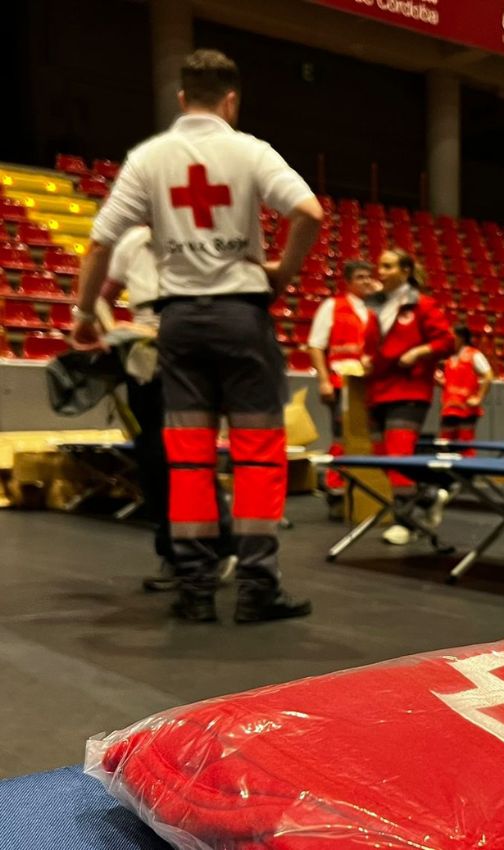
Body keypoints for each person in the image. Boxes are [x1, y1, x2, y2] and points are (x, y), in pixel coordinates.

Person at [70, 49, 323, 623]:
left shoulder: (149, 158)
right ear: (231, 100)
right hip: (242, 319)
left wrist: (85, 313)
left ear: (182, 98)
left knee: (187, 460)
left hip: (179, 323)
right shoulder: (251, 150)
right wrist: (281, 274)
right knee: (258, 457)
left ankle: (195, 590)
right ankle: (257, 589)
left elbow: (100, 242)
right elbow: (309, 212)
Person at [99, 225, 235, 592]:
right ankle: (173, 554)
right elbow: (100, 296)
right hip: (142, 364)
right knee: (152, 458)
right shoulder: (131, 243)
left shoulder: (201, 240)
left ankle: (218, 546)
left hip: (190, 357)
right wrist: (114, 330)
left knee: (190, 455)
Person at [362, 247, 455, 545]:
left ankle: (406, 523)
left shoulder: (423, 305)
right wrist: (366, 360)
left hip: (410, 390)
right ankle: (429, 496)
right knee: (383, 459)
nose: (381, 272)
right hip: (378, 390)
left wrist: (418, 352)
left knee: (399, 456)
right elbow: (371, 346)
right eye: (380, 266)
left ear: (406, 271)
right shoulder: (375, 307)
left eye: (388, 266)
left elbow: (447, 341)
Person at [307, 260, 375, 517]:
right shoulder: (332, 306)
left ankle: (366, 493)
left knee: (369, 441)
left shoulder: (376, 309)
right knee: (341, 437)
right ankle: (336, 492)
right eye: (360, 277)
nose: (366, 281)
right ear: (348, 282)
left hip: (370, 385)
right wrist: (323, 380)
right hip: (341, 383)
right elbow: (316, 346)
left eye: (368, 276)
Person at [435, 325, 494, 454]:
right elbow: (450, 382)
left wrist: (479, 397)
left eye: (452, 336)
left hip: (466, 408)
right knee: (444, 445)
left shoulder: (474, 355)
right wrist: (439, 382)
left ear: (461, 338)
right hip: (449, 408)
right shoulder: (449, 357)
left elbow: (488, 376)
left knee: (464, 446)